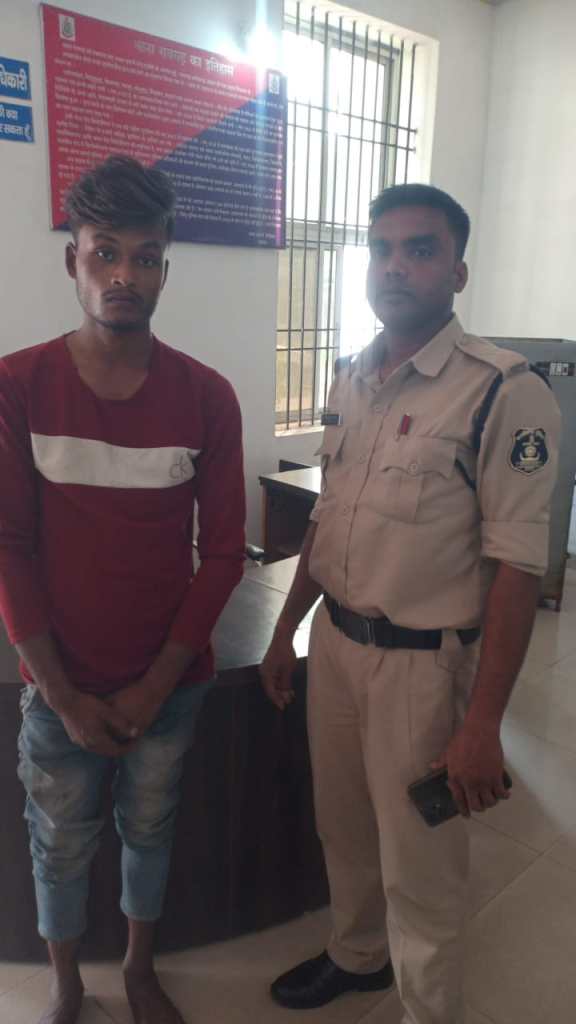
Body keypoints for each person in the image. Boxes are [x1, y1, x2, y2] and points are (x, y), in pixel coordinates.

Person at [260, 183, 560, 1024]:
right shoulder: (352, 377)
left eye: (420, 249)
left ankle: (429, 1009)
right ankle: (359, 956)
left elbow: (517, 570)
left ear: (457, 272)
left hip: (423, 670)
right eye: (382, 249)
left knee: (420, 865)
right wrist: (286, 630)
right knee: (345, 827)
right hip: (336, 647)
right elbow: (327, 520)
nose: (396, 267)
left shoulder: (502, 391)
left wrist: (483, 726)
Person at [0, 155, 245, 1024]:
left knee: (151, 829)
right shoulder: (17, 386)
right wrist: (63, 695)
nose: (123, 275)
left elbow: (224, 554)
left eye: (144, 257)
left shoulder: (208, 397)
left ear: (166, 270)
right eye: (104, 252)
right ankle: (66, 984)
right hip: (58, 687)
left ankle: (141, 969)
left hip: (167, 688)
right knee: (58, 843)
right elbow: (8, 547)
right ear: (73, 261)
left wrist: (151, 687)